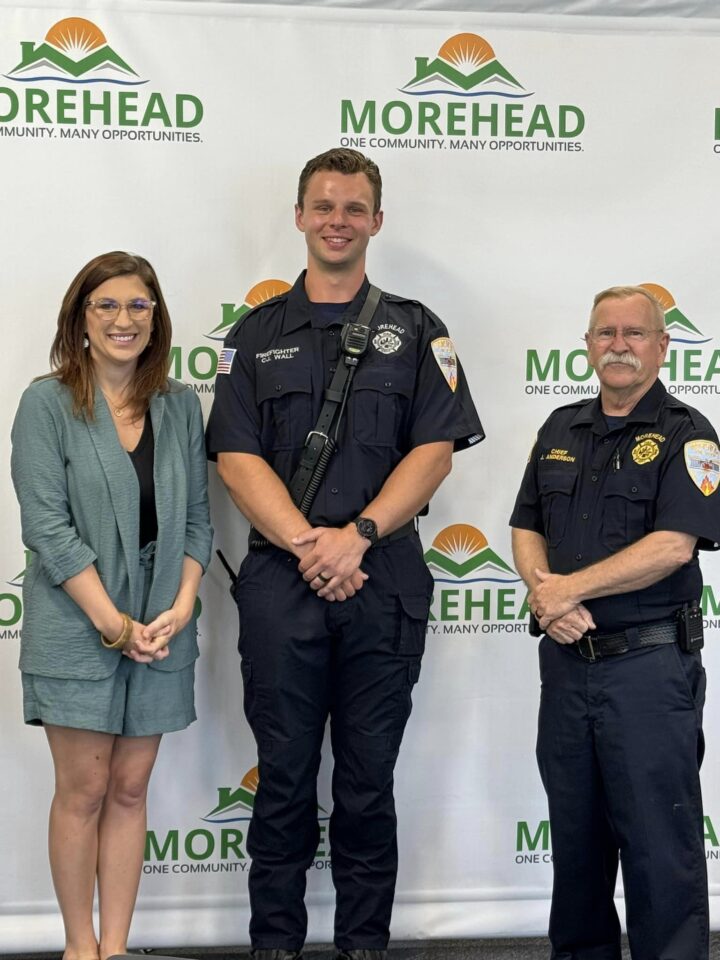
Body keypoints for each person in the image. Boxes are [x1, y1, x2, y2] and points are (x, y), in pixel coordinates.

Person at [206, 147, 483, 959]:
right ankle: (275, 946)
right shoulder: (255, 335)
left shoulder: (418, 329)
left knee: (367, 783)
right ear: (298, 216)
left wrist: (356, 537)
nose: (337, 221)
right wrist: (307, 542)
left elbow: (435, 450)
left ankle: (364, 945)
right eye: (323, 206)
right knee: (284, 780)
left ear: (376, 221)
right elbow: (234, 455)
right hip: (282, 578)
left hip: (383, 575)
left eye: (353, 208)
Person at [11, 251, 213, 960]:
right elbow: (47, 528)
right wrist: (112, 623)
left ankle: (118, 948)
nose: (124, 320)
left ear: (156, 318)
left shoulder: (180, 404)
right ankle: (79, 948)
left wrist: (183, 603)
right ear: (81, 318)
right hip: (78, 628)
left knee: (130, 788)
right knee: (85, 788)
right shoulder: (46, 403)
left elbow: (195, 522)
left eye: (139, 306)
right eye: (107, 306)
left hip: (161, 627)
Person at [510, 285, 720, 960]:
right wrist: (549, 599)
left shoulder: (689, 435)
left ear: (662, 347)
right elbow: (525, 526)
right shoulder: (560, 428)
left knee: (662, 853)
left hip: (648, 673)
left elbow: (673, 546)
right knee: (576, 852)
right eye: (606, 333)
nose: (620, 345)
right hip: (568, 670)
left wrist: (568, 589)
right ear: (588, 345)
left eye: (635, 334)